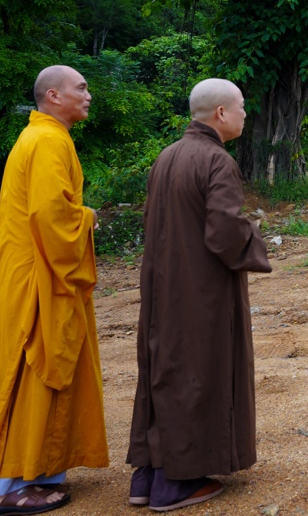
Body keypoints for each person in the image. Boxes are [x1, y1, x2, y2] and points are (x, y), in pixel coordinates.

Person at [0, 65, 108, 515]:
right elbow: (53, 218)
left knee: (28, 372)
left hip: (22, 272)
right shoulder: (48, 140)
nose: (89, 95)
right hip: (36, 277)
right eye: (81, 88)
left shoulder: (42, 137)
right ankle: (5, 489)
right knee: (27, 371)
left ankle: (31, 473)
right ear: (53, 96)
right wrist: (86, 218)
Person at [127, 78, 271, 511]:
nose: (247, 114)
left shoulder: (167, 156)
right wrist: (256, 239)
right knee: (197, 369)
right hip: (201, 288)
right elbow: (225, 232)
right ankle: (178, 481)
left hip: (163, 285)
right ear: (221, 114)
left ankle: (147, 475)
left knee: (164, 367)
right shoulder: (216, 160)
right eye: (242, 106)